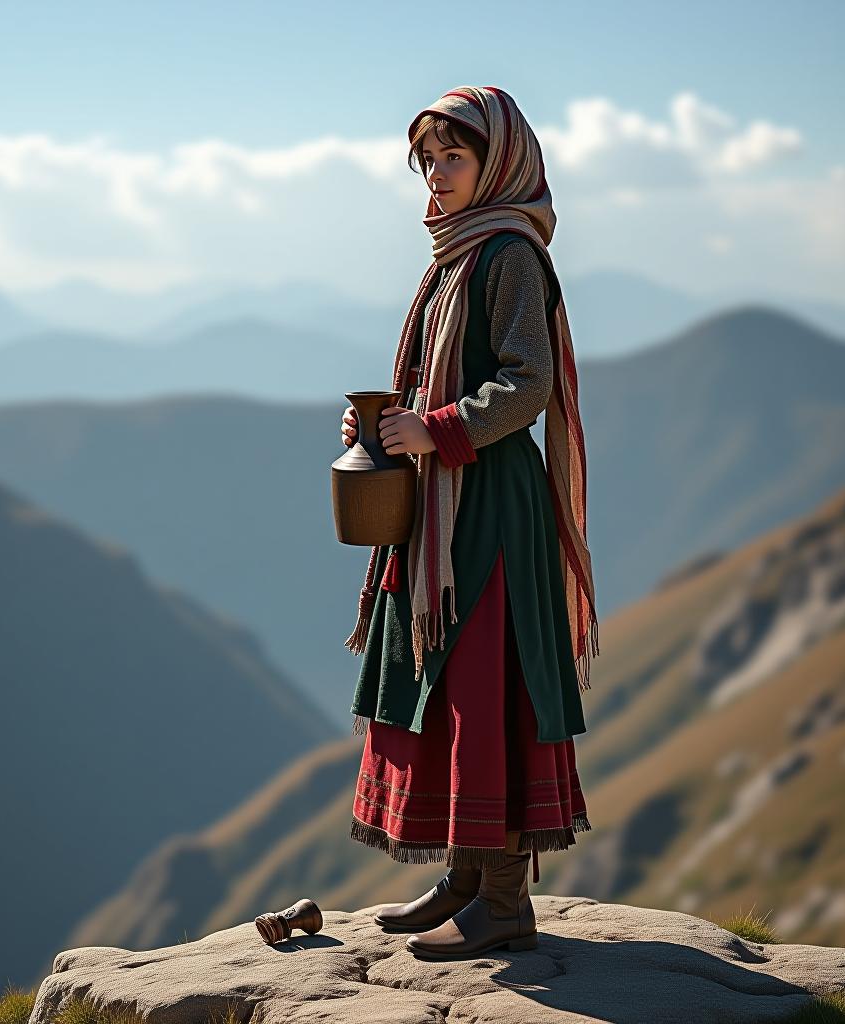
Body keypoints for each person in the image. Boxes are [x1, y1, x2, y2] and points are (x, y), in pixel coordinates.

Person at [338, 85, 599, 960]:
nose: (438, 176)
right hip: (446, 501)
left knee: (486, 681)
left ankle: (503, 903)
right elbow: (430, 380)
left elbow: (528, 383)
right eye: (429, 161)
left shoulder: (509, 254)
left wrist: (440, 429)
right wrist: (387, 425)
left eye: (454, 157)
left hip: (490, 504)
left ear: (500, 163)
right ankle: (462, 878)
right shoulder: (454, 256)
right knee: (447, 684)